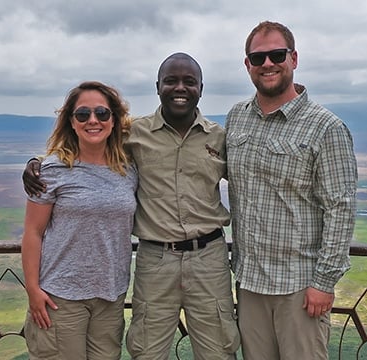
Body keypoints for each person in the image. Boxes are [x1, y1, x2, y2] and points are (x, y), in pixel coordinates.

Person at [23, 53, 240, 360]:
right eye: (171, 81)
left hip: (209, 257)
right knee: (147, 351)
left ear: (201, 89)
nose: (180, 87)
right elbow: (87, 142)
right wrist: (37, 163)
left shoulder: (219, 138)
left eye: (189, 82)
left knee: (219, 349)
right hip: (155, 258)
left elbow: (253, 174)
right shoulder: (134, 133)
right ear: (158, 87)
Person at [226, 21, 358, 360]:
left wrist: (324, 282)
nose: (267, 63)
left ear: (294, 58)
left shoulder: (326, 127)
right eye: (258, 58)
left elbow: (340, 209)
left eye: (276, 54)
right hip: (249, 281)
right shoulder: (236, 118)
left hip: (299, 288)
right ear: (247, 65)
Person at [21, 81, 138, 360]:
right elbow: (32, 232)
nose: (93, 120)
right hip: (61, 298)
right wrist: (33, 290)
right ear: (71, 122)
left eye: (102, 113)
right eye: (83, 114)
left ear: (114, 120)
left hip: (111, 296)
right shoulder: (52, 170)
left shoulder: (128, 168)